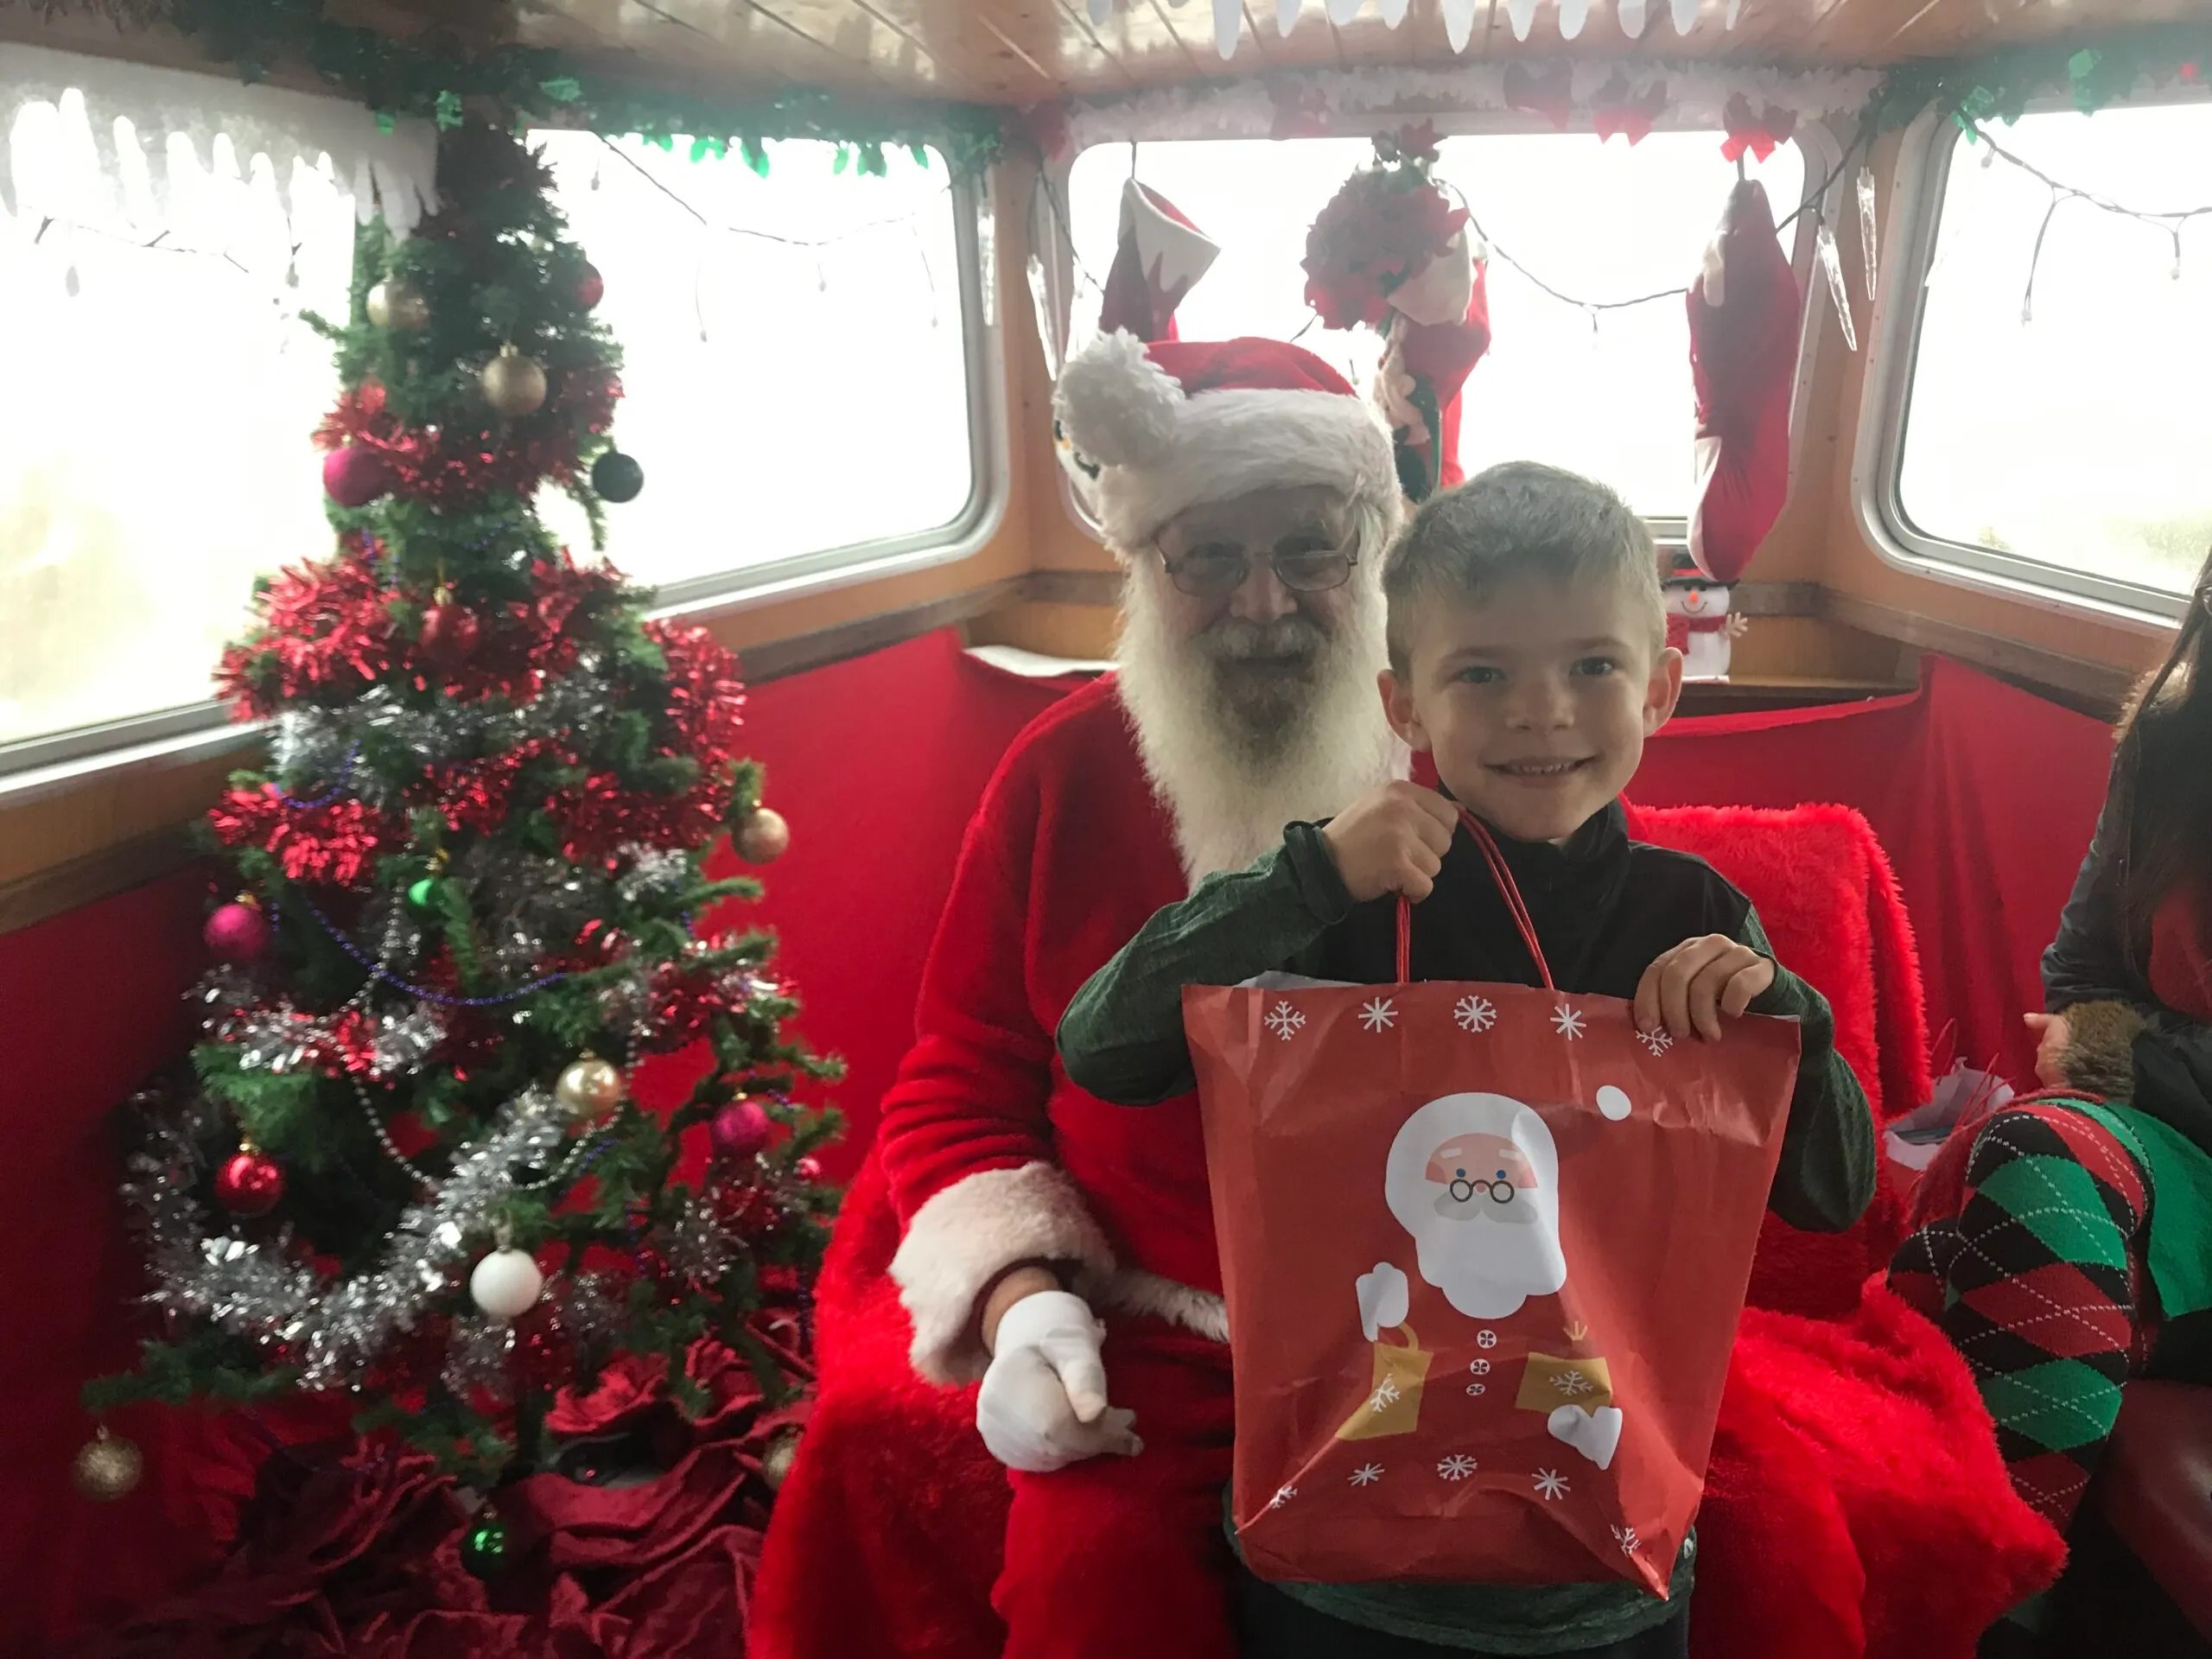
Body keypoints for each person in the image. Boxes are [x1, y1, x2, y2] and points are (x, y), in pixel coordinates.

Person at [1058, 462, 1875, 1656]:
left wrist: (1782, 1014)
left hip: (1600, 1557)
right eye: (1481, 674)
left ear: (1660, 688)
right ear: (1404, 707)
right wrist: (1305, 878)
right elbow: (1102, 1048)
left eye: (1592, 667)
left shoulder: (1691, 919)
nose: (1539, 712)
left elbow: (1835, 1192)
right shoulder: (1347, 892)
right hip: (1337, 1544)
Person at [874, 327, 1409, 1659]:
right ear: (1144, 566)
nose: (1265, 605)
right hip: (1154, 1328)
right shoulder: (1057, 778)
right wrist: (1025, 1304)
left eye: (1311, 550)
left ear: (1375, 550)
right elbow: (961, 1080)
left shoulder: (1469, 755)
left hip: (1431, 1323)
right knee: (1088, 1600)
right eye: (1209, 557)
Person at [1889, 550, 2212, 1656]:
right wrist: (2131, 1054)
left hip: (2167, 1131)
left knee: (1962, 1256)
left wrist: (2129, 1052)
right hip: (2178, 1158)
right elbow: (2079, 979)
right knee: (2029, 1154)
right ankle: (1987, 1613)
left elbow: (2096, 1035)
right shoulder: (2174, 738)